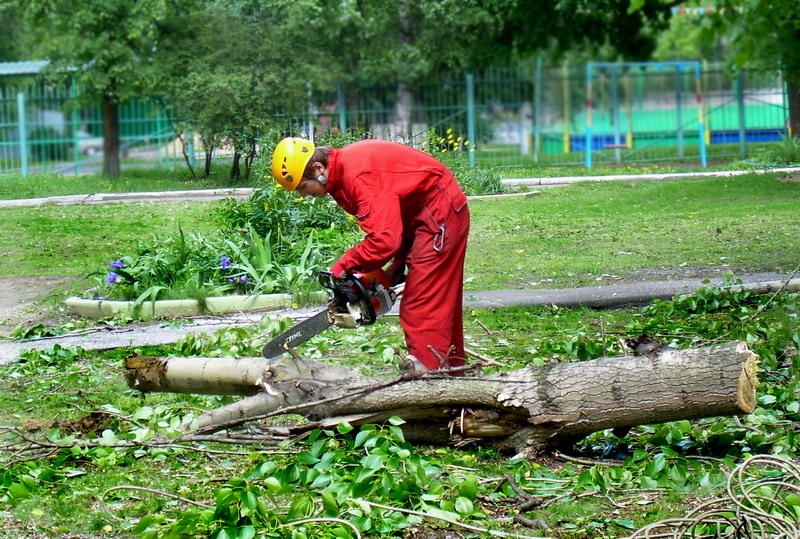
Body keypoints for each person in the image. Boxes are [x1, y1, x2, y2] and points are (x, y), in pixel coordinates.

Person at [271, 137, 470, 374]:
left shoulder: (357, 175)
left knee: (421, 305)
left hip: (438, 213)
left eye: (304, 187)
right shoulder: (340, 177)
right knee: (440, 301)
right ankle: (455, 371)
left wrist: (345, 265)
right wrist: (398, 263)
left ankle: (430, 380)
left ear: (318, 168)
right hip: (419, 214)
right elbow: (395, 213)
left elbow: (384, 240)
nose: (305, 195)